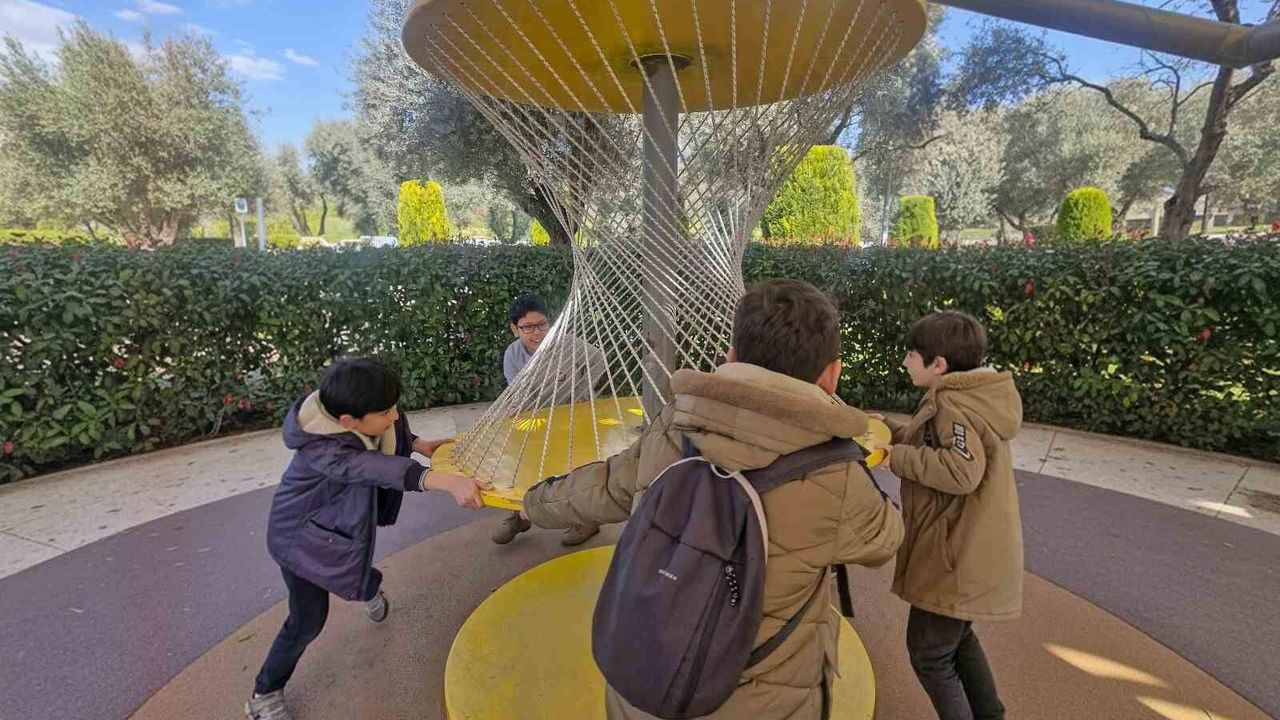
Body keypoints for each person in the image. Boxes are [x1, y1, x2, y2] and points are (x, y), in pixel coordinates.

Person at [523, 279, 904, 719]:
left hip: (646, 686)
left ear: (732, 356)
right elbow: (883, 540)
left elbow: (607, 486)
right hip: (765, 702)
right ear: (831, 375)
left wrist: (534, 503)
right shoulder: (836, 473)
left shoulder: (677, 425)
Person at [246, 358, 488, 720]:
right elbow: (373, 467)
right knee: (307, 619)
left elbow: (390, 432)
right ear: (348, 421)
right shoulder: (323, 449)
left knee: (350, 563)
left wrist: (419, 444)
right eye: (386, 411)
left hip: (338, 528)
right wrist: (447, 481)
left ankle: (366, 585)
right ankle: (264, 693)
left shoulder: (359, 410)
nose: (395, 415)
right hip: (300, 540)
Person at [881, 311, 1024, 720]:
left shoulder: (953, 405)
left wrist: (896, 458)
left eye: (911, 354)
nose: (905, 361)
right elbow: (935, 443)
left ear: (938, 364)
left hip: (954, 554)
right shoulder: (971, 398)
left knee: (929, 653)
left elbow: (962, 471)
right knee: (955, 643)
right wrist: (888, 430)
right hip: (969, 547)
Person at [491, 293, 602, 546]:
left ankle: (587, 520)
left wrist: (582, 391)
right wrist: (518, 411)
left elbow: (598, 360)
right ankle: (519, 514)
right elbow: (516, 392)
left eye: (542, 324)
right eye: (528, 327)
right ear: (515, 329)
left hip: (571, 415)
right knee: (523, 463)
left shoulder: (567, 344)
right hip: (536, 417)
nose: (537, 333)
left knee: (575, 468)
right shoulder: (513, 354)